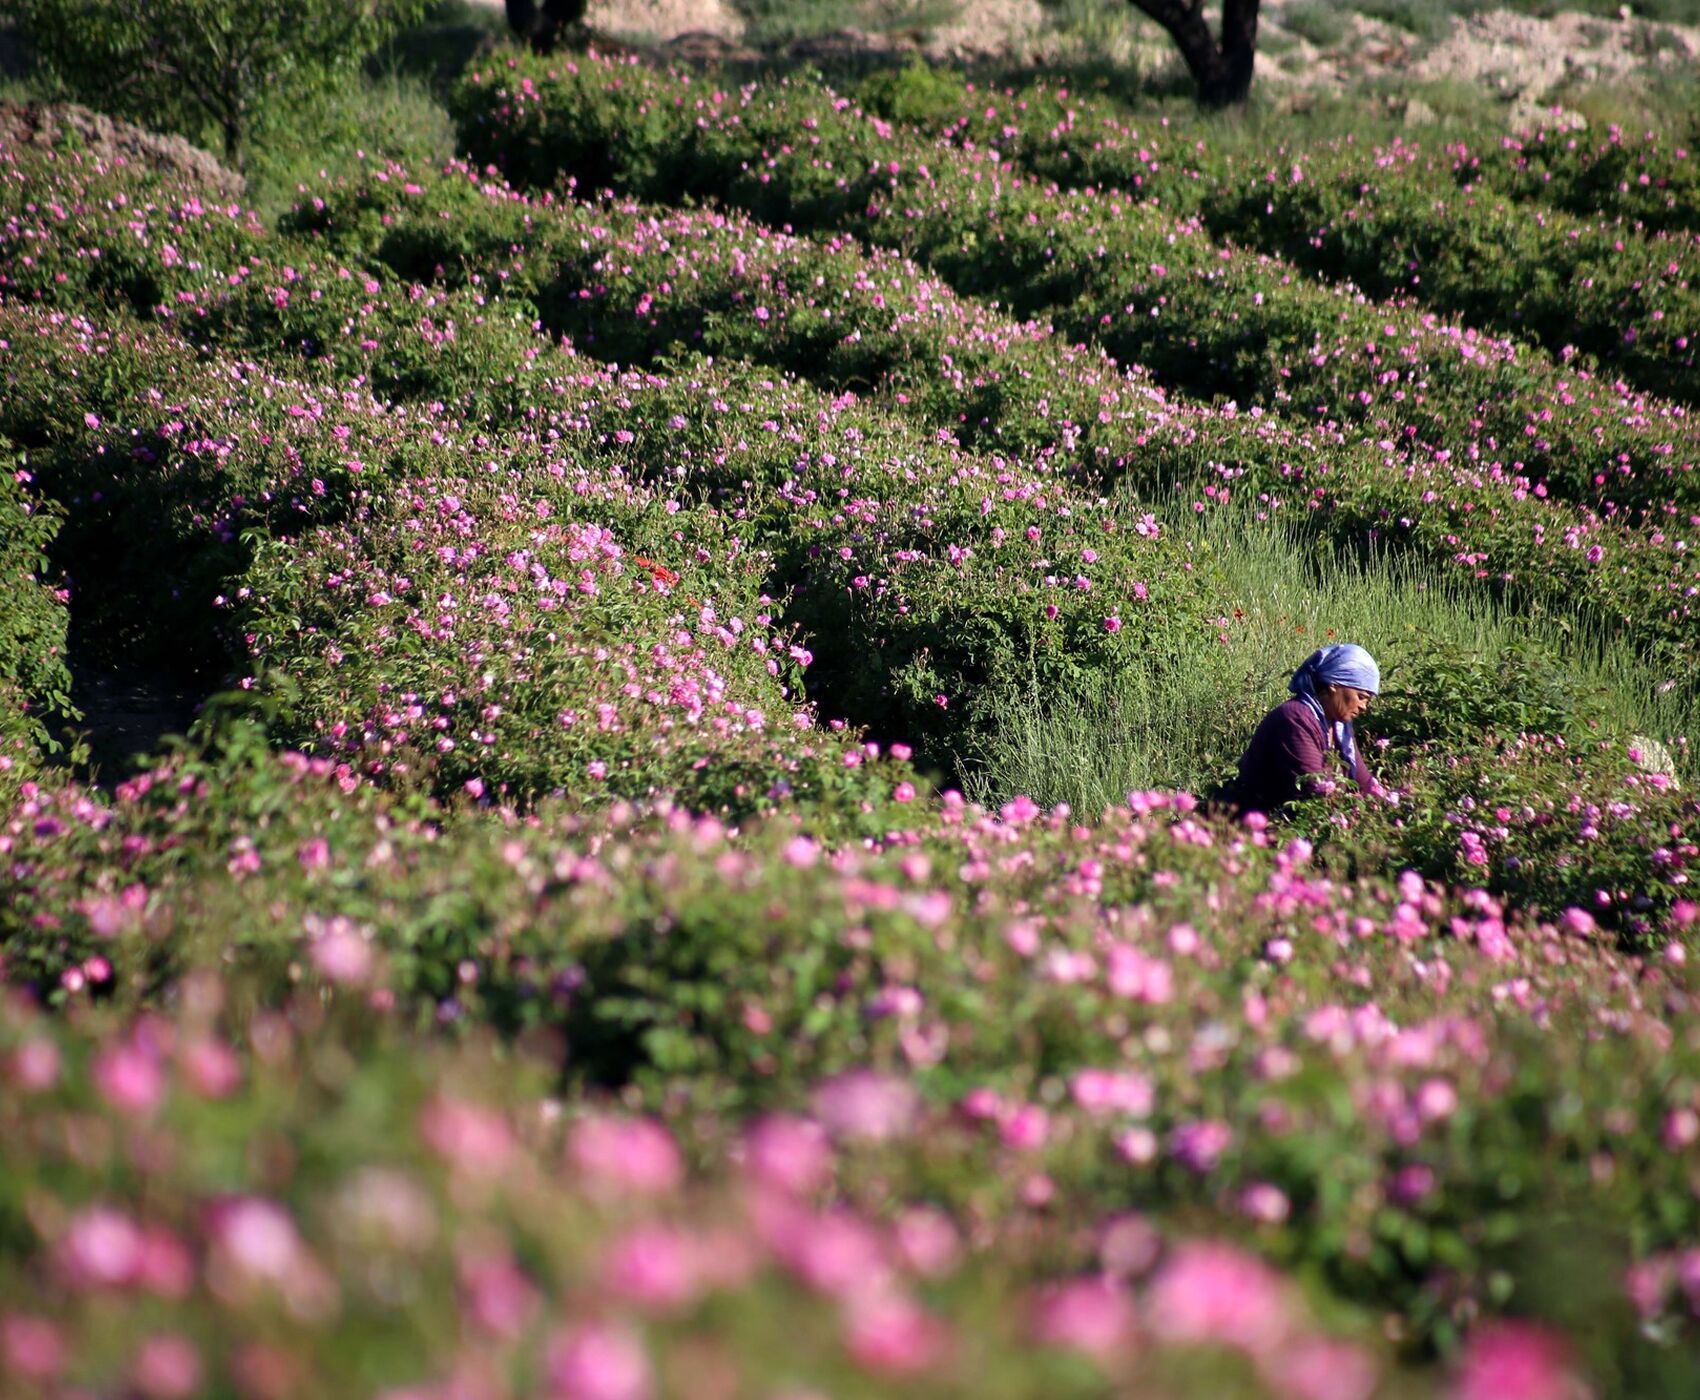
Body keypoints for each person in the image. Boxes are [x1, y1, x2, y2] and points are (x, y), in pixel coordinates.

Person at [1225, 643, 1384, 816]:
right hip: (1265, 826)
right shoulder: (1295, 719)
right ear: (1334, 685)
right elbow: (1314, 790)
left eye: (1367, 701)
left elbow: (1365, 783)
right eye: (1361, 697)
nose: (1363, 707)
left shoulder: (1339, 726)